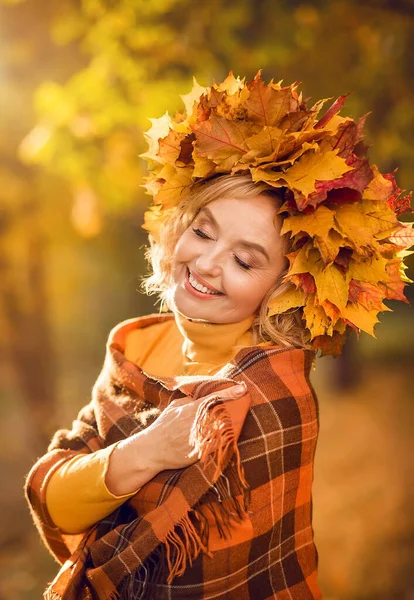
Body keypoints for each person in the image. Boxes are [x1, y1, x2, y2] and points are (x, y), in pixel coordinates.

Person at [25, 71, 413, 600]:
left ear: (281, 289)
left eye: (244, 259)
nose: (206, 263)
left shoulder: (270, 399)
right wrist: (148, 451)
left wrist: (110, 471)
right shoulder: (135, 346)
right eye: (203, 230)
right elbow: (52, 497)